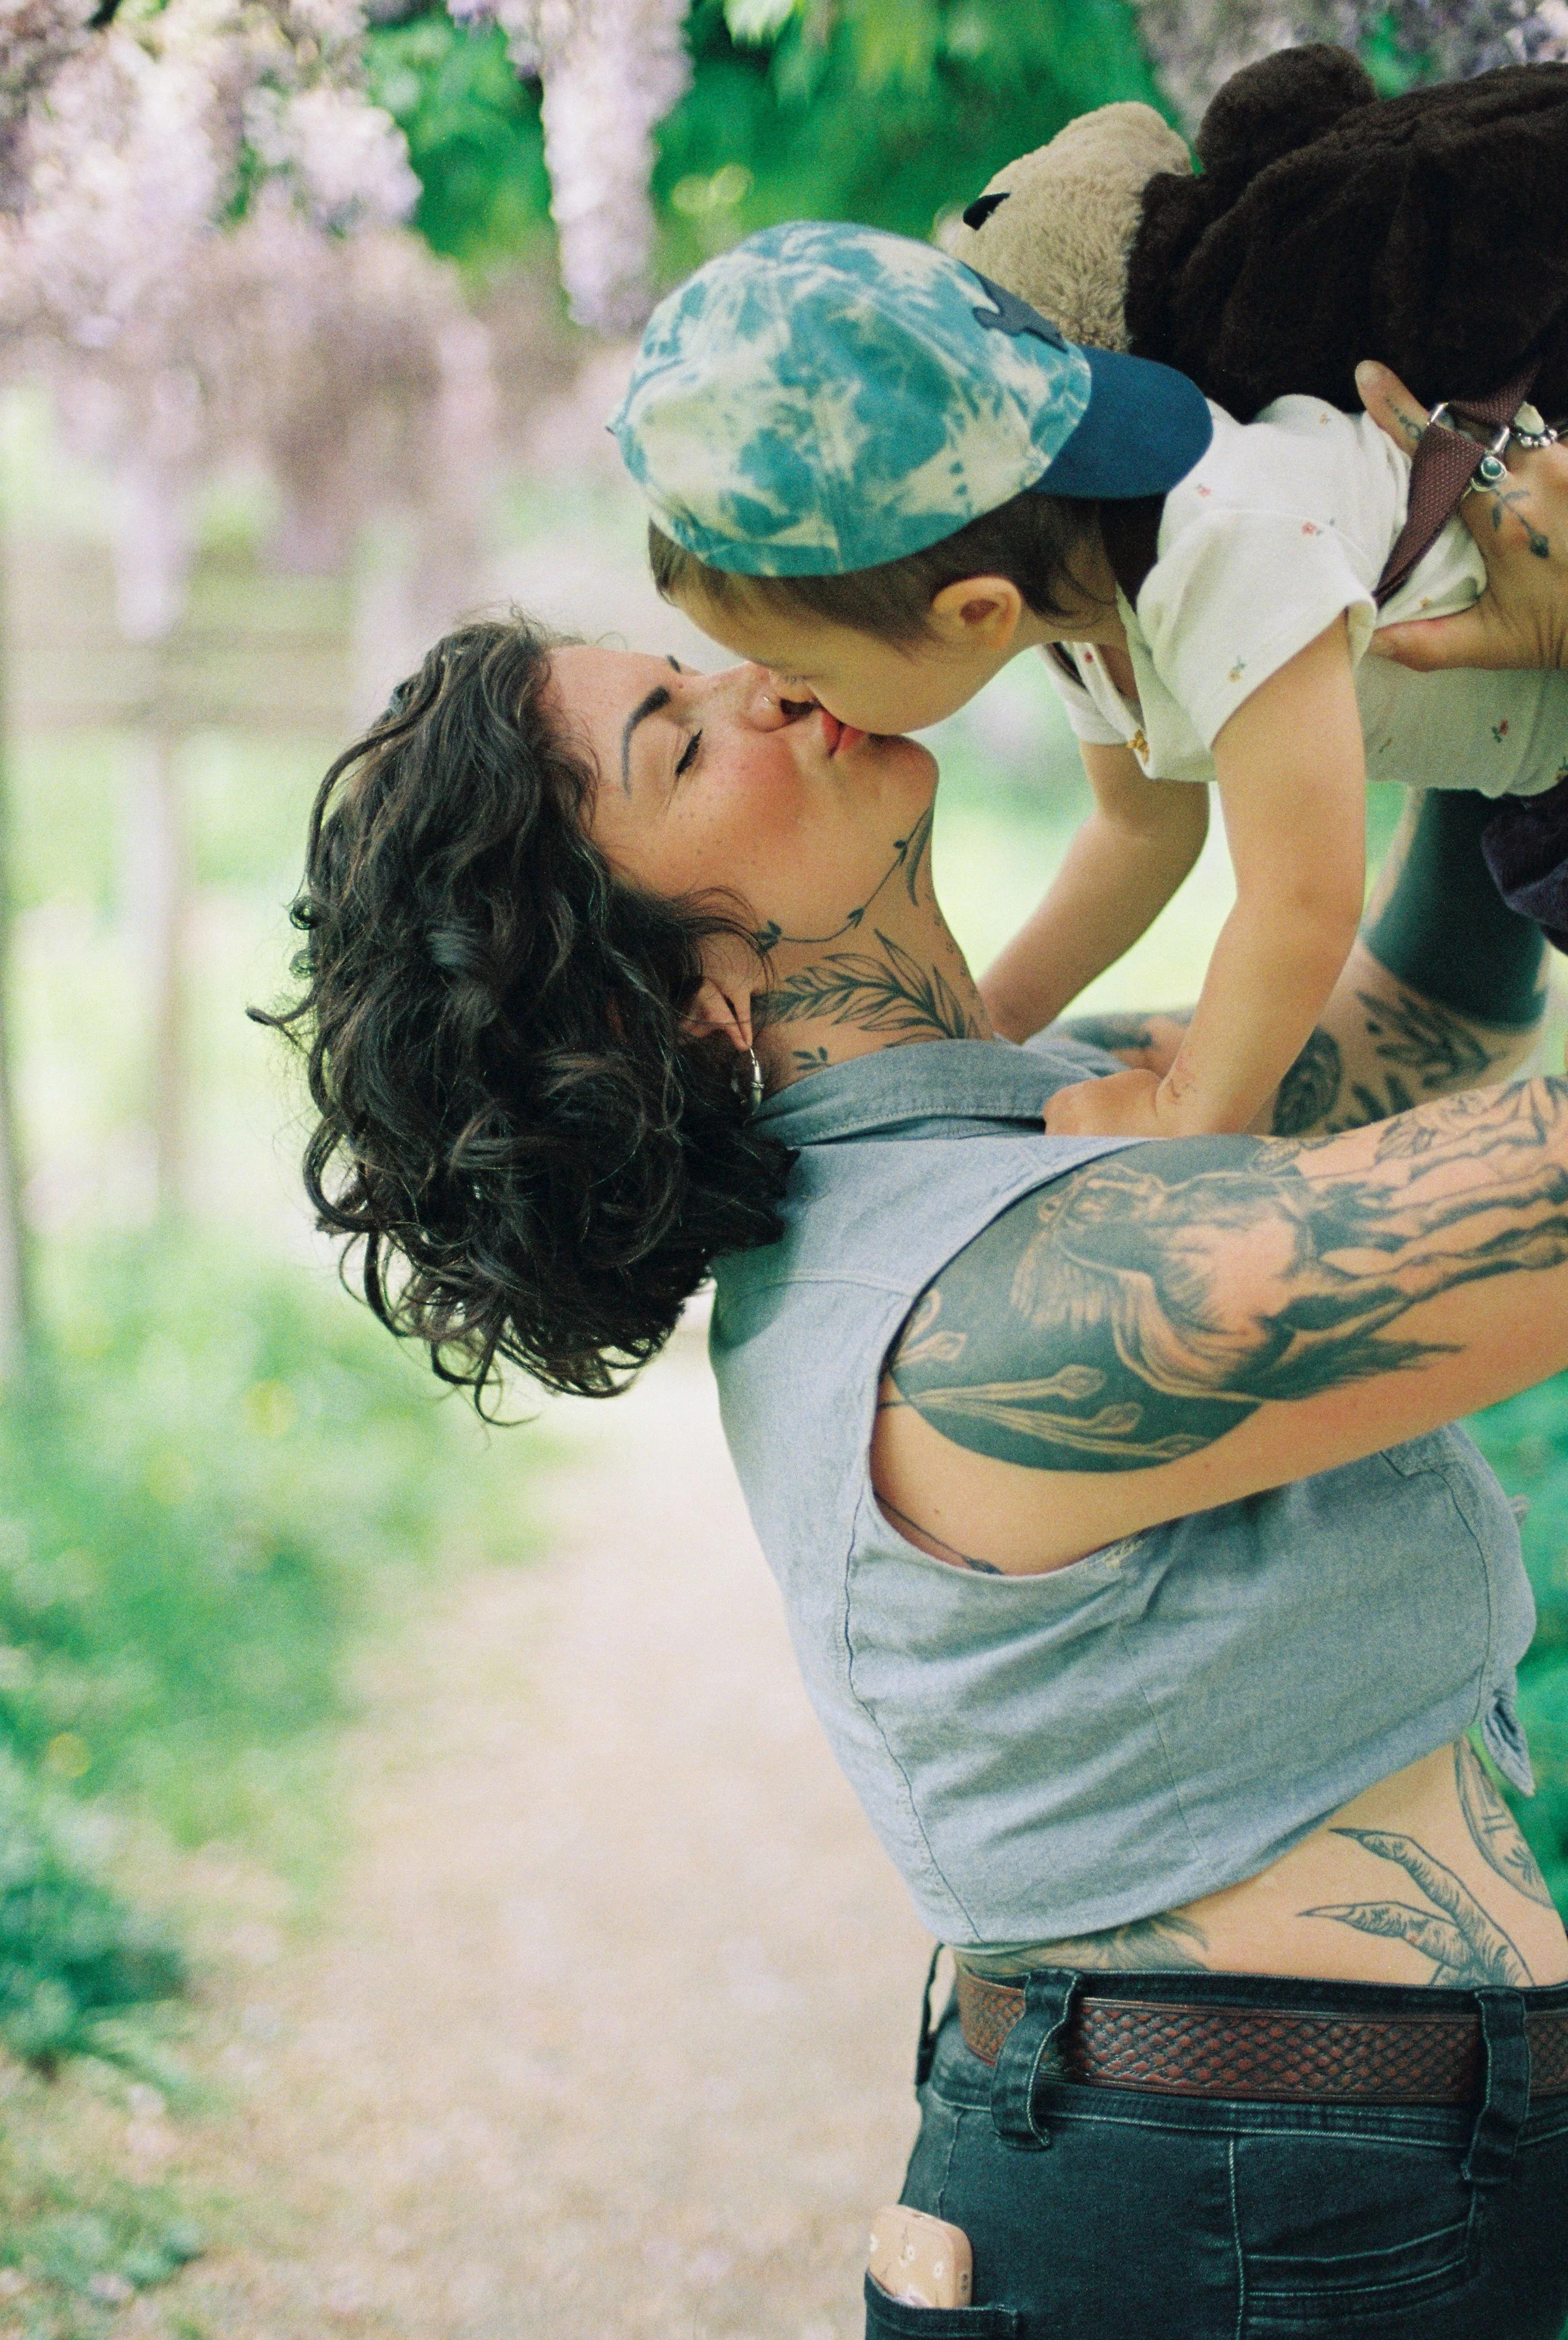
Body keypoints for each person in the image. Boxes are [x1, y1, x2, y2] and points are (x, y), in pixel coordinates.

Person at [269, 602, 1568, 2336]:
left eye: (702, 655)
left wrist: (1493, 692)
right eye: (681, 732)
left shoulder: (1036, 1114)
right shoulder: (973, 1304)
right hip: (1245, 2221)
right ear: (685, 1007)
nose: (768, 678)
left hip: (1329, 2183)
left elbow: (1431, 1007)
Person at [610, 219, 1568, 1146]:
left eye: (804, 666)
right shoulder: (1078, 591)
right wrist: (984, 1030)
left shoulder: (1220, 557)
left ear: (974, 612)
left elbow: (1304, 899)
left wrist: (1185, 1109)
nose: (781, 692)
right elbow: (1139, 832)